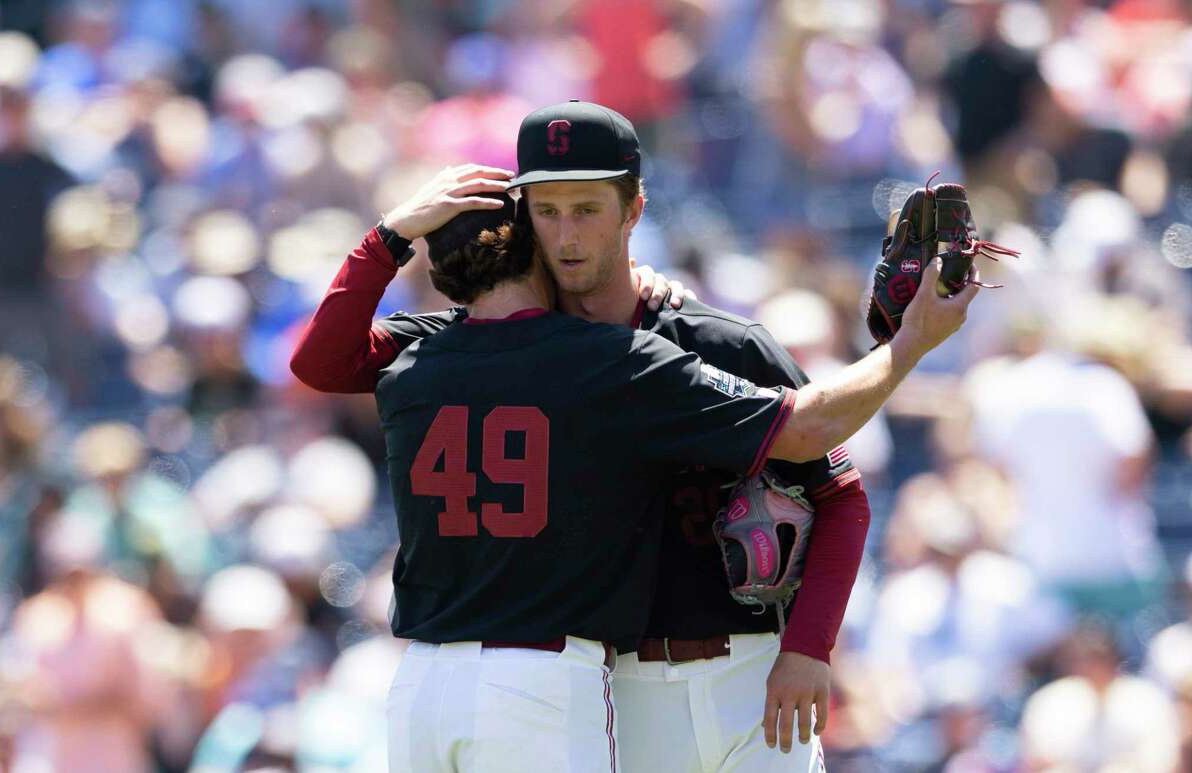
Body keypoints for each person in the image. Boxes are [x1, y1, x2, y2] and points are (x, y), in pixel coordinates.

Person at [291, 101, 980, 771]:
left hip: (748, 674)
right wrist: (386, 235)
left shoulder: (717, 341)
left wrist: (810, 646)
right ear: (522, 219)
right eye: (549, 210)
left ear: (634, 209)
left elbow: (840, 493)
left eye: (587, 209)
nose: (567, 236)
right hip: (613, 689)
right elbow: (322, 363)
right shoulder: (481, 339)